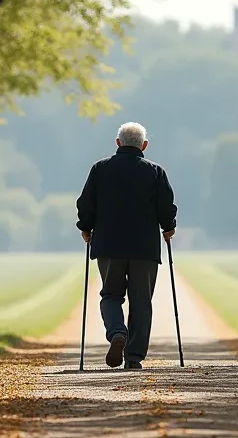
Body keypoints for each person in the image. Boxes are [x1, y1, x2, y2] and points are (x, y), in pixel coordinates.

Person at [76, 122, 177, 369]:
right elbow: (166, 206)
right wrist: (168, 227)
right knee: (141, 301)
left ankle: (117, 332)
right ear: (144, 145)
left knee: (111, 295)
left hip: (109, 246)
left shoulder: (100, 169)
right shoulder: (155, 172)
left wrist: (85, 227)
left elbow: (86, 203)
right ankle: (133, 358)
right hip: (144, 248)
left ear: (118, 143)